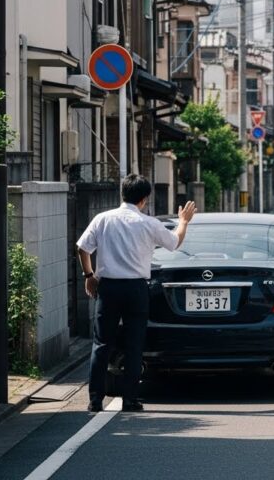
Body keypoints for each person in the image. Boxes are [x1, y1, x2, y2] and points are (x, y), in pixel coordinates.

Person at [76, 174, 197, 413]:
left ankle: (95, 400)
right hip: (136, 289)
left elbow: (82, 248)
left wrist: (89, 276)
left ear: (123, 193)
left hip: (108, 287)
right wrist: (184, 221)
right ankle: (130, 400)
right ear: (144, 199)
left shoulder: (103, 219)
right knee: (134, 345)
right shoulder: (148, 223)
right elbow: (174, 243)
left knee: (102, 344)